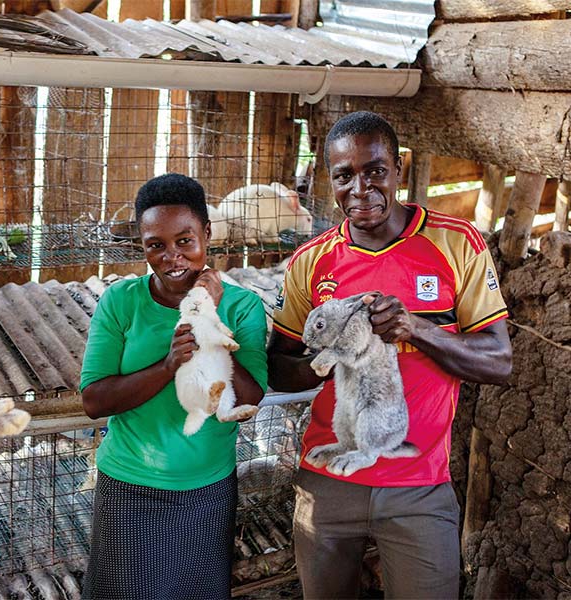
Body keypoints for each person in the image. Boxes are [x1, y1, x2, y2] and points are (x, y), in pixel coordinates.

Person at [267, 111, 512, 599]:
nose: (360, 188)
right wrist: (331, 356)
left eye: (375, 170)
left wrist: (416, 329)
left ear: (397, 167)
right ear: (330, 180)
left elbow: (499, 363)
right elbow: (278, 367)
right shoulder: (310, 262)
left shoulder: (455, 243)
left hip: (420, 483)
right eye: (344, 175)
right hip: (329, 480)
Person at [80, 173, 268, 600]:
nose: (172, 257)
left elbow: (253, 396)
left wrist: (208, 322)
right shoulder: (122, 301)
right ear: (142, 246)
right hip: (130, 486)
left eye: (185, 241)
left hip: (208, 487)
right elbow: (94, 400)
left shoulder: (242, 307)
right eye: (156, 245)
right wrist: (167, 365)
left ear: (206, 234)